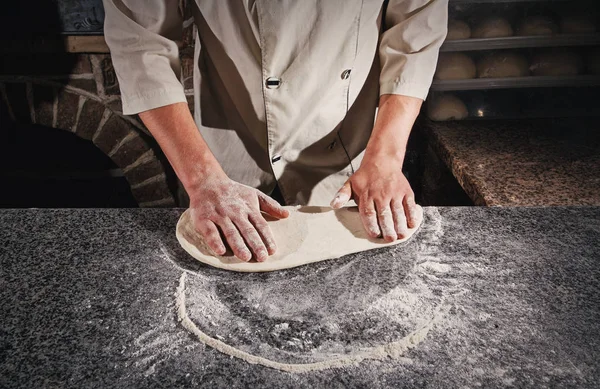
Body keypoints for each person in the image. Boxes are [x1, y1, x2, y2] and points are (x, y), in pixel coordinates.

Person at [103, 0, 448, 262]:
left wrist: (386, 158)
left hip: (349, 157)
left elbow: (415, 32)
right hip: (225, 164)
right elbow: (140, 43)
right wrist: (202, 179)